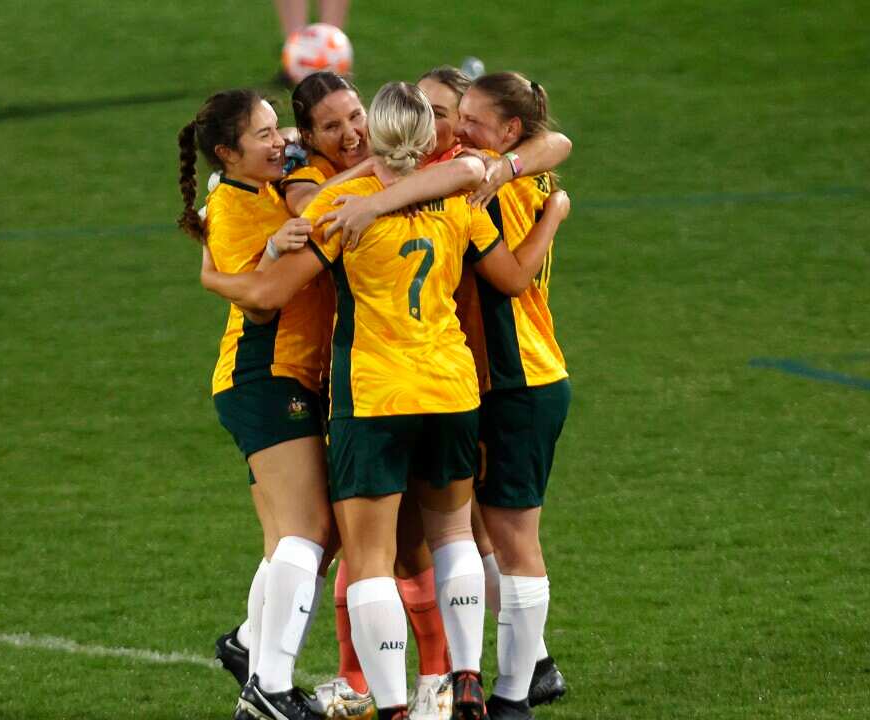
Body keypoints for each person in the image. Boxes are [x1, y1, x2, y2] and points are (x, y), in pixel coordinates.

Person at [201, 81, 570, 720]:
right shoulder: (459, 192)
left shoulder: (342, 206)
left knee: (367, 556)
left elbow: (271, 292)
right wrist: (556, 209)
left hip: (373, 395)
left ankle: (391, 704)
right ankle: (468, 680)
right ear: (429, 135)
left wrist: (221, 269)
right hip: (452, 389)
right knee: (455, 535)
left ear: (375, 130)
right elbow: (508, 276)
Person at [177, 88, 335, 720]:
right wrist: (268, 255)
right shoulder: (235, 203)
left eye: (279, 129)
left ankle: (249, 647)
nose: (281, 142)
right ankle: (268, 686)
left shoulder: (255, 184)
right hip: (266, 372)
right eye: (264, 134)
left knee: (288, 539)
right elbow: (260, 303)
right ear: (226, 152)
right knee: (312, 531)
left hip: (280, 374)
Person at [452, 72, 574, 720]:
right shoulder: (521, 172)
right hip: (504, 377)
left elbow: (507, 276)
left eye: (472, 118)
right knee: (480, 529)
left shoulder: (491, 187)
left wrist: (547, 213)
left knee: (513, 537)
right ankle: (531, 669)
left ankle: (515, 695)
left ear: (508, 131)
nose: (459, 127)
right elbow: (560, 144)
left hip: (517, 379)